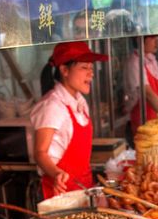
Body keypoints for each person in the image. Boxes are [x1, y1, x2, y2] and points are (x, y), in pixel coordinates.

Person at [30, 41, 108, 199]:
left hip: (83, 187)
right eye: (84, 68)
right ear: (65, 70)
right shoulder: (52, 105)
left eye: (91, 68)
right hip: (61, 193)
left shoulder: (79, 101)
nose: (90, 74)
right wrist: (57, 173)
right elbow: (40, 153)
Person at [123, 35, 158, 135]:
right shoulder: (134, 62)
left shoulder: (152, 61)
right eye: (153, 39)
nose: (157, 43)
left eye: (157, 39)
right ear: (139, 40)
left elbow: (157, 92)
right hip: (143, 121)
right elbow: (148, 94)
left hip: (157, 119)